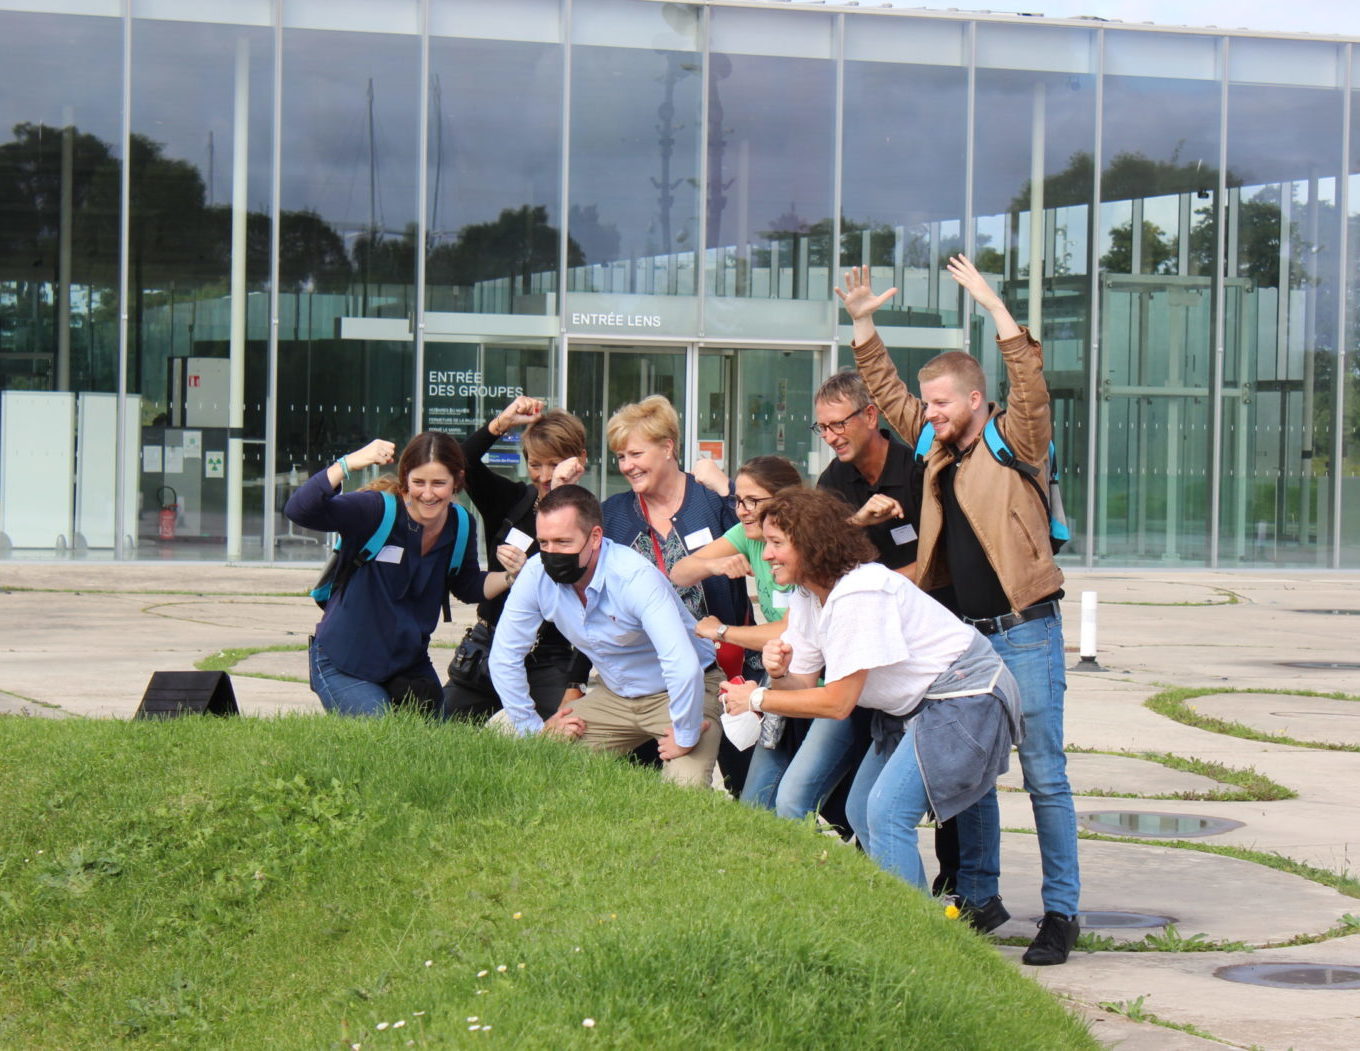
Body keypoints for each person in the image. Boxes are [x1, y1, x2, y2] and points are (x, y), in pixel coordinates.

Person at [837, 256, 1081, 966]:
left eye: (941, 402)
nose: (930, 413)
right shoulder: (935, 446)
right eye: (928, 404)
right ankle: (980, 894)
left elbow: (1028, 380)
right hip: (966, 643)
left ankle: (1061, 912)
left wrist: (994, 305)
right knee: (967, 771)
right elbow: (887, 392)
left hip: (1026, 630)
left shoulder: (1018, 439)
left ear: (976, 399)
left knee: (1043, 772)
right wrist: (863, 325)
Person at [719, 489, 1021, 906]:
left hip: (965, 695)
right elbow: (804, 689)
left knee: (886, 811)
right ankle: (899, 919)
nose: (765, 555)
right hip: (917, 706)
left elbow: (838, 703)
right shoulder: (809, 594)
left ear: (810, 544)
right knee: (863, 809)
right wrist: (778, 675)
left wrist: (758, 700)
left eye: (776, 543)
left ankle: (919, 937)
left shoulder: (858, 592)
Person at [488, 484, 724, 788]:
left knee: (684, 790)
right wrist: (533, 730)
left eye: (563, 542)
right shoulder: (536, 574)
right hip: (615, 694)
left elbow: (681, 665)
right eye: (544, 542)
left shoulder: (634, 577)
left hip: (685, 689)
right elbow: (505, 656)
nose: (551, 553)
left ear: (595, 537)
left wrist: (687, 734)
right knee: (539, 765)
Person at [285, 432, 511, 716]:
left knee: (434, 744)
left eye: (439, 483)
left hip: (407, 665)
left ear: (457, 480)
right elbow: (299, 510)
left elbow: (466, 585)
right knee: (377, 731)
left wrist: (511, 576)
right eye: (418, 482)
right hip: (343, 662)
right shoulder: (375, 510)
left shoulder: (461, 523)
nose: (428, 494)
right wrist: (348, 464)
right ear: (405, 479)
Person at [601, 395, 756, 790]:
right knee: (644, 783)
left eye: (636, 453)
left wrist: (728, 487)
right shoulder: (613, 515)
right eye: (620, 457)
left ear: (668, 447)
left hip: (724, 668)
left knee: (747, 783)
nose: (627, 465)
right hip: (648, 676)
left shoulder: (709, 500)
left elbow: (762, 519)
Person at [442, 396, 589, 722]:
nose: (545, 475)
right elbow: (461, 462)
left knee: (568, 737)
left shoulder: (590, 518)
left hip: (549, 653)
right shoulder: (509, 500)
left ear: (579, 460)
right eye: (536, 464)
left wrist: (576, 678)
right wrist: (501, 424)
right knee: (438, 725)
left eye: (555, 464)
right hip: (489, 643)